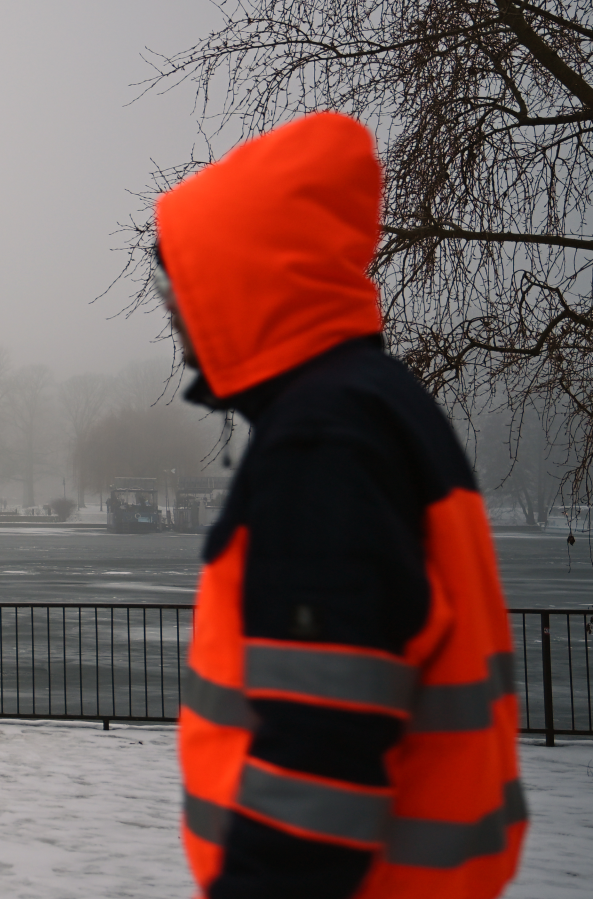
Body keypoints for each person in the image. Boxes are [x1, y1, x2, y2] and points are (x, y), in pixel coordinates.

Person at [154, 111, 526, 899]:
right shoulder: (372, 405)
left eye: (176, 280)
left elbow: (320, 750)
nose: (170, 308)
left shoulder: (323, 438)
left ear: (240, 279)